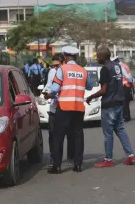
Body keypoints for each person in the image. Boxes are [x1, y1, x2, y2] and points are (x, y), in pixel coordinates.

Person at [44, 46, 93, 174]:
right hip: (78, 108)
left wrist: (48, 94)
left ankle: (57, 166)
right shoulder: (83, 70)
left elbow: (54, 89)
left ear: (65, 56)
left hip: (64, 107)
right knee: (77, 135)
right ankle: (78, 165)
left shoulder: (62, 69)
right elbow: (89, 86)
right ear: (76, 57)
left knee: (58, 136)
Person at [86, 46, 135, 168]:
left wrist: (91, 97)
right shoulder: (117, 66)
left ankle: (108, 159)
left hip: (109, 105)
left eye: (98, 55)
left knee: (108, 133)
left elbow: (103, 90)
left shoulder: (105, 69)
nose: (97, 57)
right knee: (120, 130)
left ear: (104, 56)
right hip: (119, 103)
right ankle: (131, 156)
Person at [43, 55, 61, 167]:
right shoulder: (51, 72)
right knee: (52, 134)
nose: (55, 68)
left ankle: (72, 158)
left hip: (65, 107)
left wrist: (51, 93)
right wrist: (45, 92)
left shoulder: (64, 72)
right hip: (54, 106)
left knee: (69, 134)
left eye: (57, 65)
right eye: (53, 66)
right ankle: (53, 158)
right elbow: (49, 86)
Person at [111, 56, 133, 122]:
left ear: (116, 61)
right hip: (127, 85)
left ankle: (126, 117)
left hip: (124, 85)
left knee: (124, 103)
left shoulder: (120, 66)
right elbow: (129, 75)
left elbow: (126, 76)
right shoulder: (124, 65)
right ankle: (127, 116)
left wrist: (129, 81)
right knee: (126, 102)